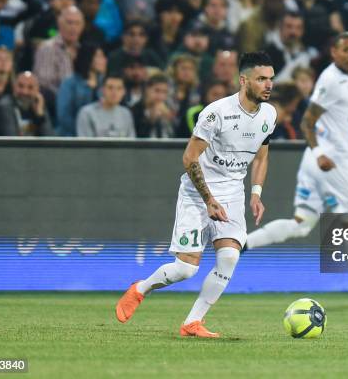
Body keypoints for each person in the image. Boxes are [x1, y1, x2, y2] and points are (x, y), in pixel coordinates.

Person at [115, 51, 277, 338]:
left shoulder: (269, 114)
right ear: (243, 80)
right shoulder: (216, 113)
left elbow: (262, 157)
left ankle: (192, 322)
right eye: (261, 79)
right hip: (197, 194)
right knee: (185, 270)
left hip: (232, 194)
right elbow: (190, 158)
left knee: (229, 257)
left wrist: (256, 192)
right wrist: (208, 200)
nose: (268, 85)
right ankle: (140, 289)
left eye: (271, 79)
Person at [242, 32, 348, 307]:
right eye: (346, 50)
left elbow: (345, 123)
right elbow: (307, 122)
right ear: (334, 52)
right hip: (333, 162)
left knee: (301, 224)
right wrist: (321, 153)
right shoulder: (331, 79)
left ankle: (242, 243)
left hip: (314, 162)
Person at [56, 44, 107, 136]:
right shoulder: (69, 84)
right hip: (73, 138)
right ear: (88, 58)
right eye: (99, 56)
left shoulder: (105, 84)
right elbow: (64, 116)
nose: (104, 60)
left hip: (100, 137)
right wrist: (84, 132)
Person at [0, 71, 55, 136]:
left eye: (30, 87)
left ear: (37, 90)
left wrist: (40, 115)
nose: (25, 92)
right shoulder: (4, 106)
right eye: (21, 86)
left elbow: (49, 138)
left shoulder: (39, 105)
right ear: (14, 86)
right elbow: (11, 139)